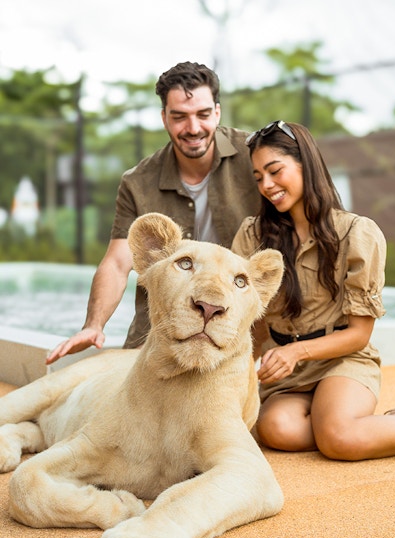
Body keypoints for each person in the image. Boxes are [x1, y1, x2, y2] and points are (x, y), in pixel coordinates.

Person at [231, 120, 395, 459]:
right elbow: (249, 318)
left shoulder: (356, 233)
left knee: (338, 439)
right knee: (277, 431)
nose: (267, 185)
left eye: (275, 171)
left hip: (343, 359)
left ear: (305, 164)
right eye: (258, 178)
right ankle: (393, 425)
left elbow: (358, 334)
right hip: (289, 375)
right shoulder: (252, 234)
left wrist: (296, 352)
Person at [46, 62, 261, 364]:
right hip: (161, 331)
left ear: (217, 112)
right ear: (164, 118)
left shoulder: (256, 156)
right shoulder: (137, 182)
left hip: (239, 325)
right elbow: (118, 263)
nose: (193, 128)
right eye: (179, 117)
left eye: (202, 114)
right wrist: (93, 326)